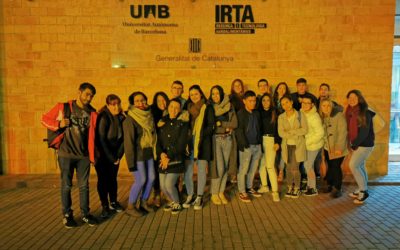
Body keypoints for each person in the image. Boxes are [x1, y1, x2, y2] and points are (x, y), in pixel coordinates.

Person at [41, 82, 98, 228]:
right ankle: (67, 215)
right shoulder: (63, 107)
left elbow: (93, 136)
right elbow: (44, 119)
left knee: (84, 186)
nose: (89, 98)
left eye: (91, 96)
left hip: (83, 156)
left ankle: (85, 214)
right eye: (87, 94)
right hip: (66, 154)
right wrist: (58, 124)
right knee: (66, 185)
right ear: (79, 92)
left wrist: (93, 155)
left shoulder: (92, 112)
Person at [124, 92, 157, 217]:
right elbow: (128, 143)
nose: (141, 103)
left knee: (152, 178)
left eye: (143, 100)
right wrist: (131, 163)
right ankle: (130, 206)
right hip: (137, 156)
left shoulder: (149, 116)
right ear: (132, 103)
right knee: (141, 180)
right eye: (137, 101)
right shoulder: (130, 119)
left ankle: (143, 202)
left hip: (148, 153)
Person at [182, 85, 215, 210]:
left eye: (196, 93)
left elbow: (211, 126)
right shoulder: (187, 108)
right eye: (191, 95)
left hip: (202, 143)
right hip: (189, 143)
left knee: (201, 170)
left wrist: (200, 135)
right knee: (188, 170)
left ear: (201, 94)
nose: (194, 96)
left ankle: (199, 196)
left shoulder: (208, 107)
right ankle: (190, 195)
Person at [156, 98, 189, 215]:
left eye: (176, 107)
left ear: (180, 109)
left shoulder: (183, 123)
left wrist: (168, 157)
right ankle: (172, 201)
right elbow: (157, 141)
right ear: (168, 107)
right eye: (171, 107)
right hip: (163, 158)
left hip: (175, 159)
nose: (173, 110)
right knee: (163, 187)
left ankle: (177, 202)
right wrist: (161, 154)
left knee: (169, 185)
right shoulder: (162, 122)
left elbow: (181, 144)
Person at [95, 94, 125, 218]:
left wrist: (118, 156)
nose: (116, 106)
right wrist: (112, 158)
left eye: (118, 103)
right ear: (108, 105)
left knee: (113, 179)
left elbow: (124, 139)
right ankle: (105, 205)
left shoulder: (122, 117)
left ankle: (113, 202)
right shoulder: (103, 117)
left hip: (115, 155)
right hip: (102, 156)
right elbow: (101, 140)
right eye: (113, 104)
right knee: (103, 181)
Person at [209, 85, 238, 205]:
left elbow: (235, 123)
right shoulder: (210, 108)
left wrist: (221, 123)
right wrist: (225, 127)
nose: (215, 96)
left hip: (228, 140)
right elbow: (211, 125)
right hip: (216, 140)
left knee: (225, 167)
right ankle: (214, 193)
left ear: (221, 94)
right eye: (213, 94)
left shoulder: (230, 106)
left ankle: (221, 192)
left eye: (217, 93)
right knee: (218, 168)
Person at [345, 90, 375, 204]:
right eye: (350, 97)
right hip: (360, 144)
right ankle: (361, 188)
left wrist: (354, 144)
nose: (351, 99)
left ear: (359, 99)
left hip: (364, 144)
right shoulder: (351, 111)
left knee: (353, 165)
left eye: (354, 97)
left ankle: (364, 191)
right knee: (360, 166)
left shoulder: (365, 112)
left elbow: (364, 132)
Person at [278, 95, 308, 198]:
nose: (285, 105)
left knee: (295, 168)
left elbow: (304, 130)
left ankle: (297, 188)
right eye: (283, 104)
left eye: (287, 102)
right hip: (286, 146)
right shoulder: (281, 117)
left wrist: (291, 132)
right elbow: (281, 133)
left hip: (297, 145)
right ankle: (290, 186)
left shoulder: (300, 114)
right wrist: (295, 133)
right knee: (288, 168)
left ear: (291, 102)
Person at [236, 91, 263, 203]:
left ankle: (249, 187)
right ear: (244, 101)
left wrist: (260, 143)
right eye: (250, 101)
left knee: (253, 169)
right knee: (243, 169)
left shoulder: (256, 113)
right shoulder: (241, 113)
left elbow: (259, 128)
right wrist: (244, 145)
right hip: (247, 146)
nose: (253, 103)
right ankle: (242, 191)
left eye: (254, 101)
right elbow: (239, 131)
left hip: (257, 145)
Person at [319, 99, 348, 198]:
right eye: (323, 105)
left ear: (332, 106)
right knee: (330, 166)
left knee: (335, 167)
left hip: (337, 148)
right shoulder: (324, 117)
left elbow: (343, 133)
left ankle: (338, 188)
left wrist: (339, 148)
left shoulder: (338, 116)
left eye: (328, 105)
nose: (326, 108)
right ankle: (330, 185)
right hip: (328, 148)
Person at [300, 94, 324, 196]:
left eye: (307, 103)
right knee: (308, 166)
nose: (305, 105)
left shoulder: (314, 116)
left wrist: (307, 142)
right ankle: (310, 186)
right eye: (303, 102)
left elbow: (320, 133)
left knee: (308, 166)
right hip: (305, 145)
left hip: (313, 145)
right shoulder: (301, 113)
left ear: (312, 104)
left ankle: (313, 188)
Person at [258, 93, 281, 202]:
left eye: (267, 100)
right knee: (262, 165)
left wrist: (277, 142)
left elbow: (278, 129)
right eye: (263, 100)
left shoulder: (275, 112)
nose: (265, 102)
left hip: (271, 141)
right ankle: (264, 186)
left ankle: (275, 192)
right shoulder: (258, 112)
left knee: (270, 166)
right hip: (261, 140)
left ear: (271, 101)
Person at [150, 91, 169, 207]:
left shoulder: (171, 110)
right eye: (158, 101)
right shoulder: (152, 113)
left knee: (168, 170)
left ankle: (167, 193)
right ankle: (156, 194)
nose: (162, 102)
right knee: (156, 171)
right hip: (156, 145)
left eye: (163, 100)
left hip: (169, 145)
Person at [273, 82, 291, 182]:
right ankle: (276, 170)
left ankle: (281, 171)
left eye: (284, 88)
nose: (282, 90)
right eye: (280, 88)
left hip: (285, 128)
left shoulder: (288, 101)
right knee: (276, 150)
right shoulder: (273, 101)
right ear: (277, 90)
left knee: (284, 150)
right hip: (275, 128)